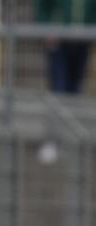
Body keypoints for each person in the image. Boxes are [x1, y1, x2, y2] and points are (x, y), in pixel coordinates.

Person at [35, 0, 96, 163]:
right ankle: (53, 141)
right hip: (59, 42)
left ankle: (72, 141)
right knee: (58, 89)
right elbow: (42, 8)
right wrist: (46, 29)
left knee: (76, 91)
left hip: (83, 42)